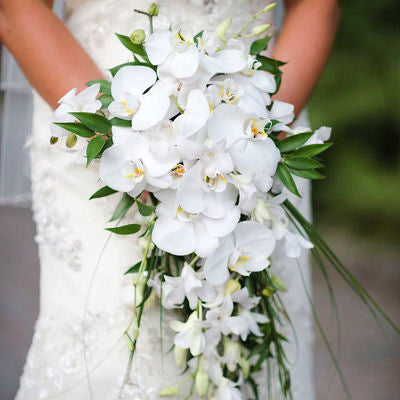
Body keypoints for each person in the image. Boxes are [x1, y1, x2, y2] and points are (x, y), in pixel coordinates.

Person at [0, 0, 340, 398]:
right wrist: (126, 143)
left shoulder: (255, 137)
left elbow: (318, 5)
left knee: (252, 355)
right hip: (94, 123)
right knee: (110, 355)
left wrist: (248, 138)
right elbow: (18, 9)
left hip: (255, 133)